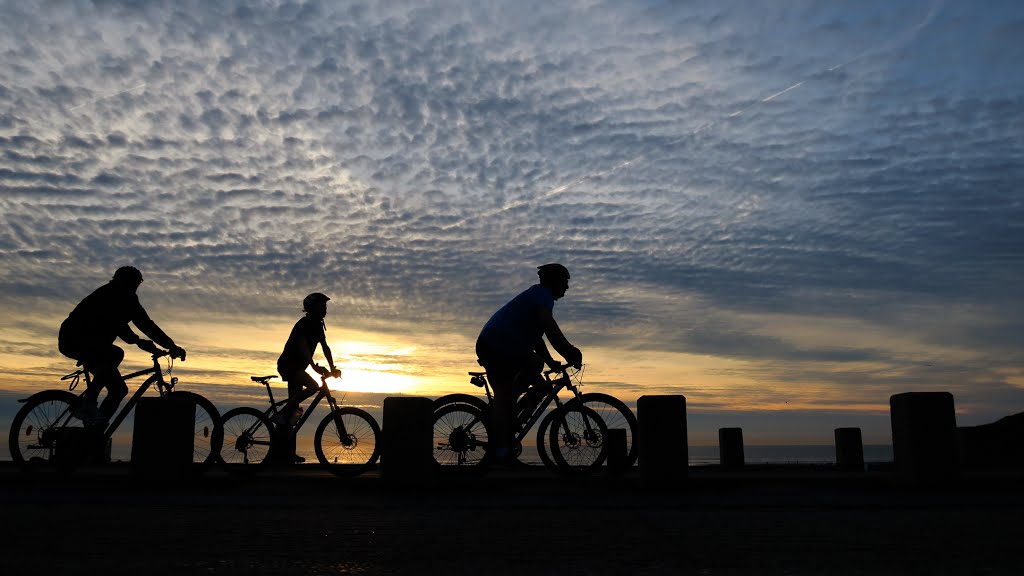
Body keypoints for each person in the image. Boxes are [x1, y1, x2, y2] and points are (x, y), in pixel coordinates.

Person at [476, 263, 583, 466]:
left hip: (506, 344)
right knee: (505, 397)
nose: (567, 287)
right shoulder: (542, 296)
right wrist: (569, 351)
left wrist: (552, 361)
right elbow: (549, 328)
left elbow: (536, 338)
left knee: (537, 367)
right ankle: (500, 453)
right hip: (496, 345)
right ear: (554, 282)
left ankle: (511, 412)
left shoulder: (538, 296)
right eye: (565, 282)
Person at [58, 266, 186, 423]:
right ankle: (88, 403)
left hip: (94, 345)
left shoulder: (130, 298)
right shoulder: (108, 294)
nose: (134, 287)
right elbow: (114, 322)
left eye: (137, 283)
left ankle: (95, 432)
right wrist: (137, 340)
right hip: (74, 339)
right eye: (132, 283)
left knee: (119, 390)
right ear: (120, 281)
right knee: (115, 353)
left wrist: (171, 346)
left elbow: (146, 324)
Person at [276, 292, 341, 432]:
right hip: (289, 366)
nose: (324, 309)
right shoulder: (304, 324)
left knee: (293, 414)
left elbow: (325, 347)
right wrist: (313, 366)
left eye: (325, 305)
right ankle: (282, 412)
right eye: (322, 305)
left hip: (298, 368)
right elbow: (303, 347)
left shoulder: (318, 325)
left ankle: (286, 451)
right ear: (313, 307)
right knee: (313, 387)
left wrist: (332, 368)